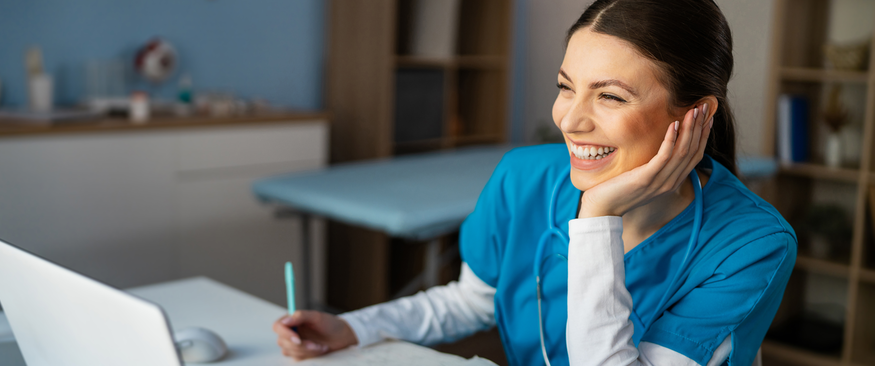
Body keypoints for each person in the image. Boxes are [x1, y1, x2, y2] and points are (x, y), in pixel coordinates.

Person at [272, 0, 796, 365]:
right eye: (566, 88)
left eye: (610, 96)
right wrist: (354, 327)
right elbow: (472, 302)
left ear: (697, 114)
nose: (570, 120)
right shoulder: (523, 179)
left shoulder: (750, 246)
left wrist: (598, 219)